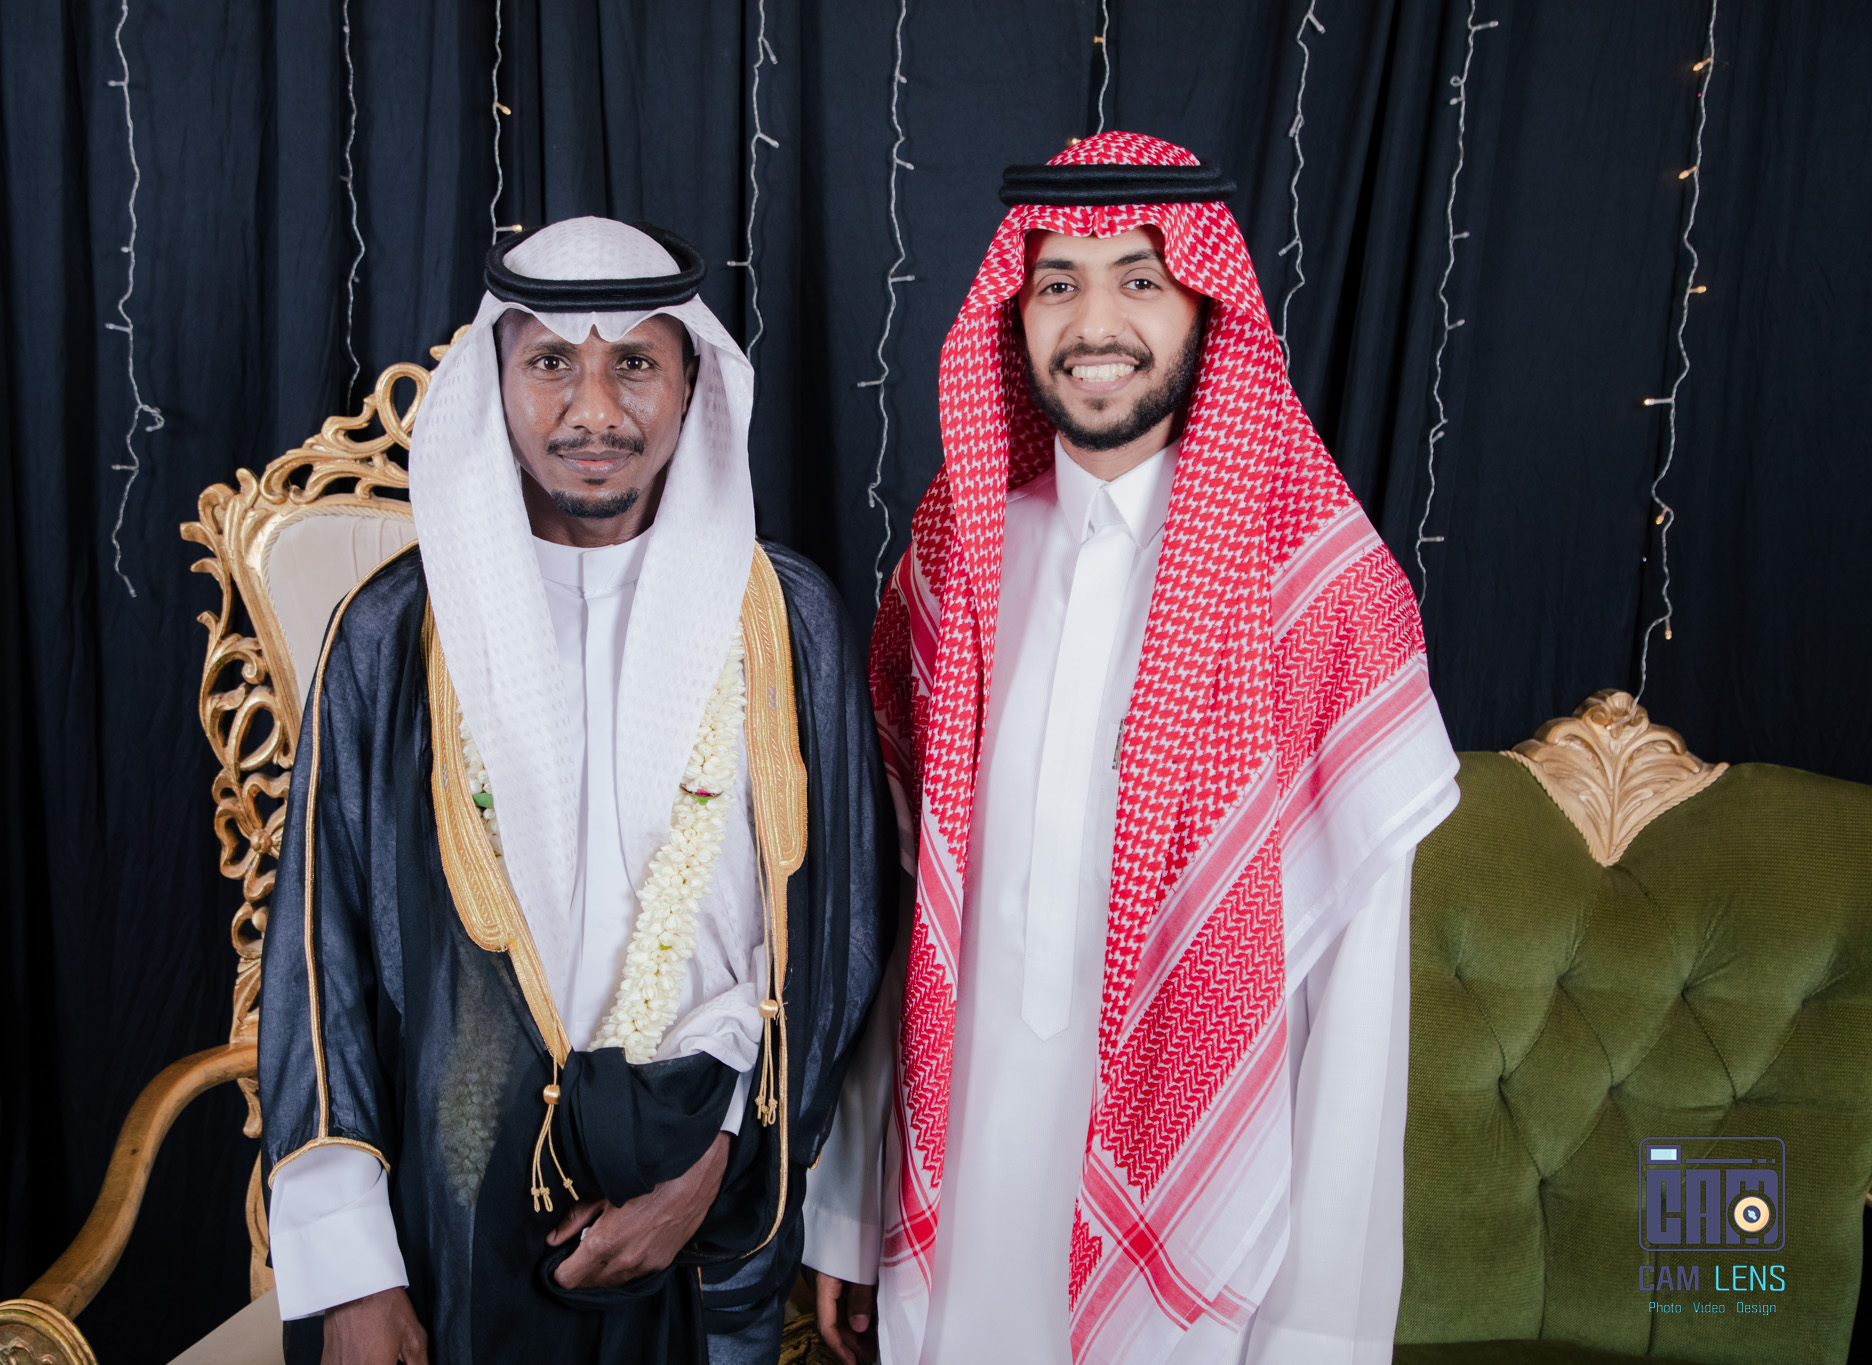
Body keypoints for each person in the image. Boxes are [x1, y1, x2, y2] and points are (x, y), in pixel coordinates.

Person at [804, 132, 1462, 1364]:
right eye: (1057, 281)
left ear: (1205, 309)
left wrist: (1317, 1336)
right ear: (1014, 312)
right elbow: (897, 906)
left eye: (1140, 279)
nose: (1093, 323)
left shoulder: (1320, 596)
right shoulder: (953, 554)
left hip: (1205, 1247)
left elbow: (1355, 1008)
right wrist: (847, 1207)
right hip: (961, 1202)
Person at [258, 216, 892, 1365]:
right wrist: (353, 1276)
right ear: (494, 383)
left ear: (692, 383)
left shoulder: (783, 622)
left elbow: (840, 941)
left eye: (633, 362)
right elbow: (322, 960)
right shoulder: (393, 634)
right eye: (550, 361)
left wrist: (713, 1170)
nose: (592, 410)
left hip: (705, 1211)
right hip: (455, 1218)